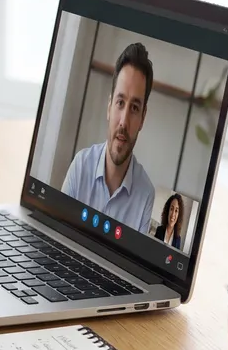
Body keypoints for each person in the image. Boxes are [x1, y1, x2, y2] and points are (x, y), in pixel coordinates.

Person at [60, 42, 156, 234]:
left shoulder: (146, 195)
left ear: (143, 118)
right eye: (120, 103)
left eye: (135, 108)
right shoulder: (80, 166)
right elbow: (57, 236)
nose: (124, 122)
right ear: (109, 106)